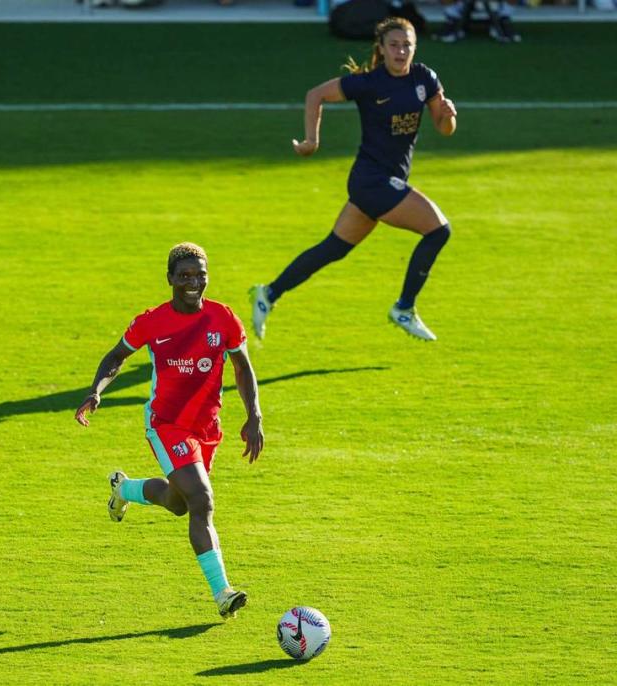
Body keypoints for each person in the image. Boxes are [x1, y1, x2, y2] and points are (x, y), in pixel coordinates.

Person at [75, 242, 264, 619]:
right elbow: (116, 357)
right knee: (203, 501)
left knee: (180, 504)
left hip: (206, 427)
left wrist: (253, 415)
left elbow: (242, 368)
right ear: (170, 279)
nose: (194, 282)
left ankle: (123, 488)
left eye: (200, 275)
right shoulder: (152, 321)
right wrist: (96, 390)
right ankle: (222, 593)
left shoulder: (223, 318)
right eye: (185, 276)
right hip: (166, 425)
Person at [249, 16, 456, 342]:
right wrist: (311, 141)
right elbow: (315, 95)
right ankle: (404, 307)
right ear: (382, 49)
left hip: (384, 181)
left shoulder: (425, 78)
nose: (401, 51)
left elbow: (445, 130)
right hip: (371, 180)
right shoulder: (368, 83)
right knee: (438, 230)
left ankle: (269, 292)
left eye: (407, 45)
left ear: (415, 48)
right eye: (394, 45)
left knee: (333, 248)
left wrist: (447, 115)